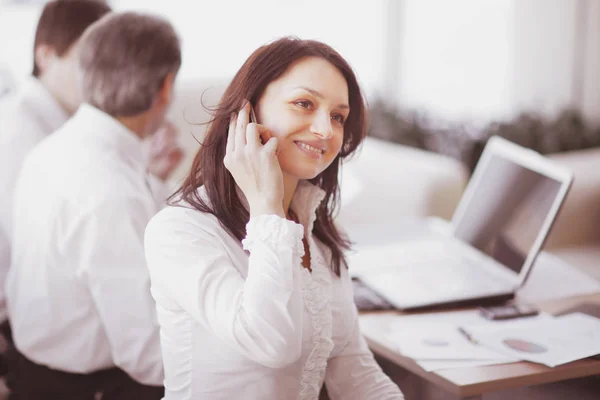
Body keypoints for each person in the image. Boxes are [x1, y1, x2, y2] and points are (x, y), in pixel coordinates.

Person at [144, 37, 405, 399]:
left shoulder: (319, 234)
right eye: (303, 104)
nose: (325, 131)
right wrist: (267, 208)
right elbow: (269, 343)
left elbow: (351, 365)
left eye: (337, 117)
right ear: (248, 114)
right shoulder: (180, 230)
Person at [5, 11, 182, 399]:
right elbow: (148, 356)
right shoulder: (112, 188)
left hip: (36, 366)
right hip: (86, 387)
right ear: (165, 87)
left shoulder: (54, 148)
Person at [0, 0, 111, 345]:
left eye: (106, 63)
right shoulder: (19, 128)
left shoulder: (69, 121)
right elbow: (27, 241)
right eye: (84, 62)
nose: (98, 77)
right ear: (45, 56)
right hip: (21, 318)